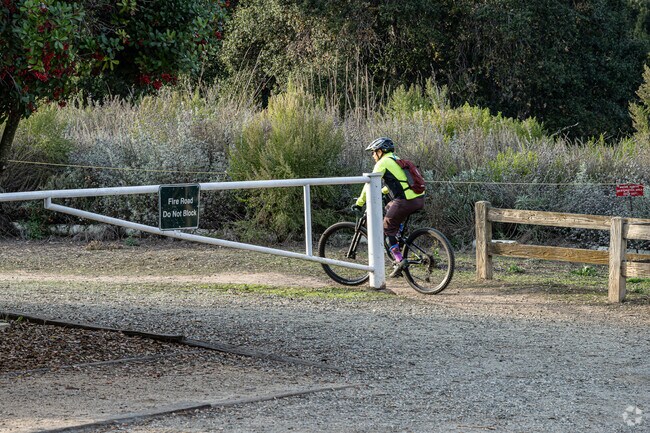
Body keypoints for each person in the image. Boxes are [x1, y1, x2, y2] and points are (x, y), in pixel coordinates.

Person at [351, 137, 425, 277]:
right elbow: (399, 183)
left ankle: (399, 260)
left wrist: (359, 203)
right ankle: (398, 240)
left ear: (380, 151)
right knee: (390, 209)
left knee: (387, 227)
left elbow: (369, 185)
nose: (373, 155)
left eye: (373, 152)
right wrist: (381, 192)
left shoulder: (382, 162)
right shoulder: (396, 160)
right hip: (418, 199)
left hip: (405, 201)